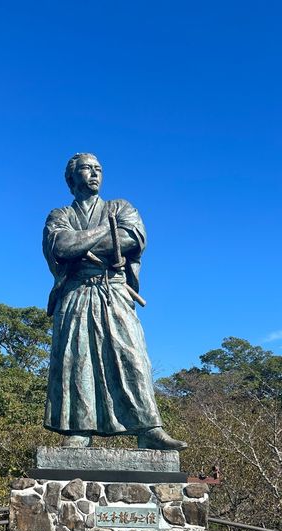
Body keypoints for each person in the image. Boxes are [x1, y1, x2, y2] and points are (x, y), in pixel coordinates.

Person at [43, 153, 186, 450]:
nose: (94, 173)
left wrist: (84, 241)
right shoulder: (60, 216)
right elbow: (62, 245)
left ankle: (148, 428)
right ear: (71, 177)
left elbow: (133, 238)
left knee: (132, 356)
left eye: (98, 169)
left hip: (115, 292)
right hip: (76, 293)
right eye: (86, 168)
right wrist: (106, 232)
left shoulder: (120, 207)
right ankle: (78, 429)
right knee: (77, 360)